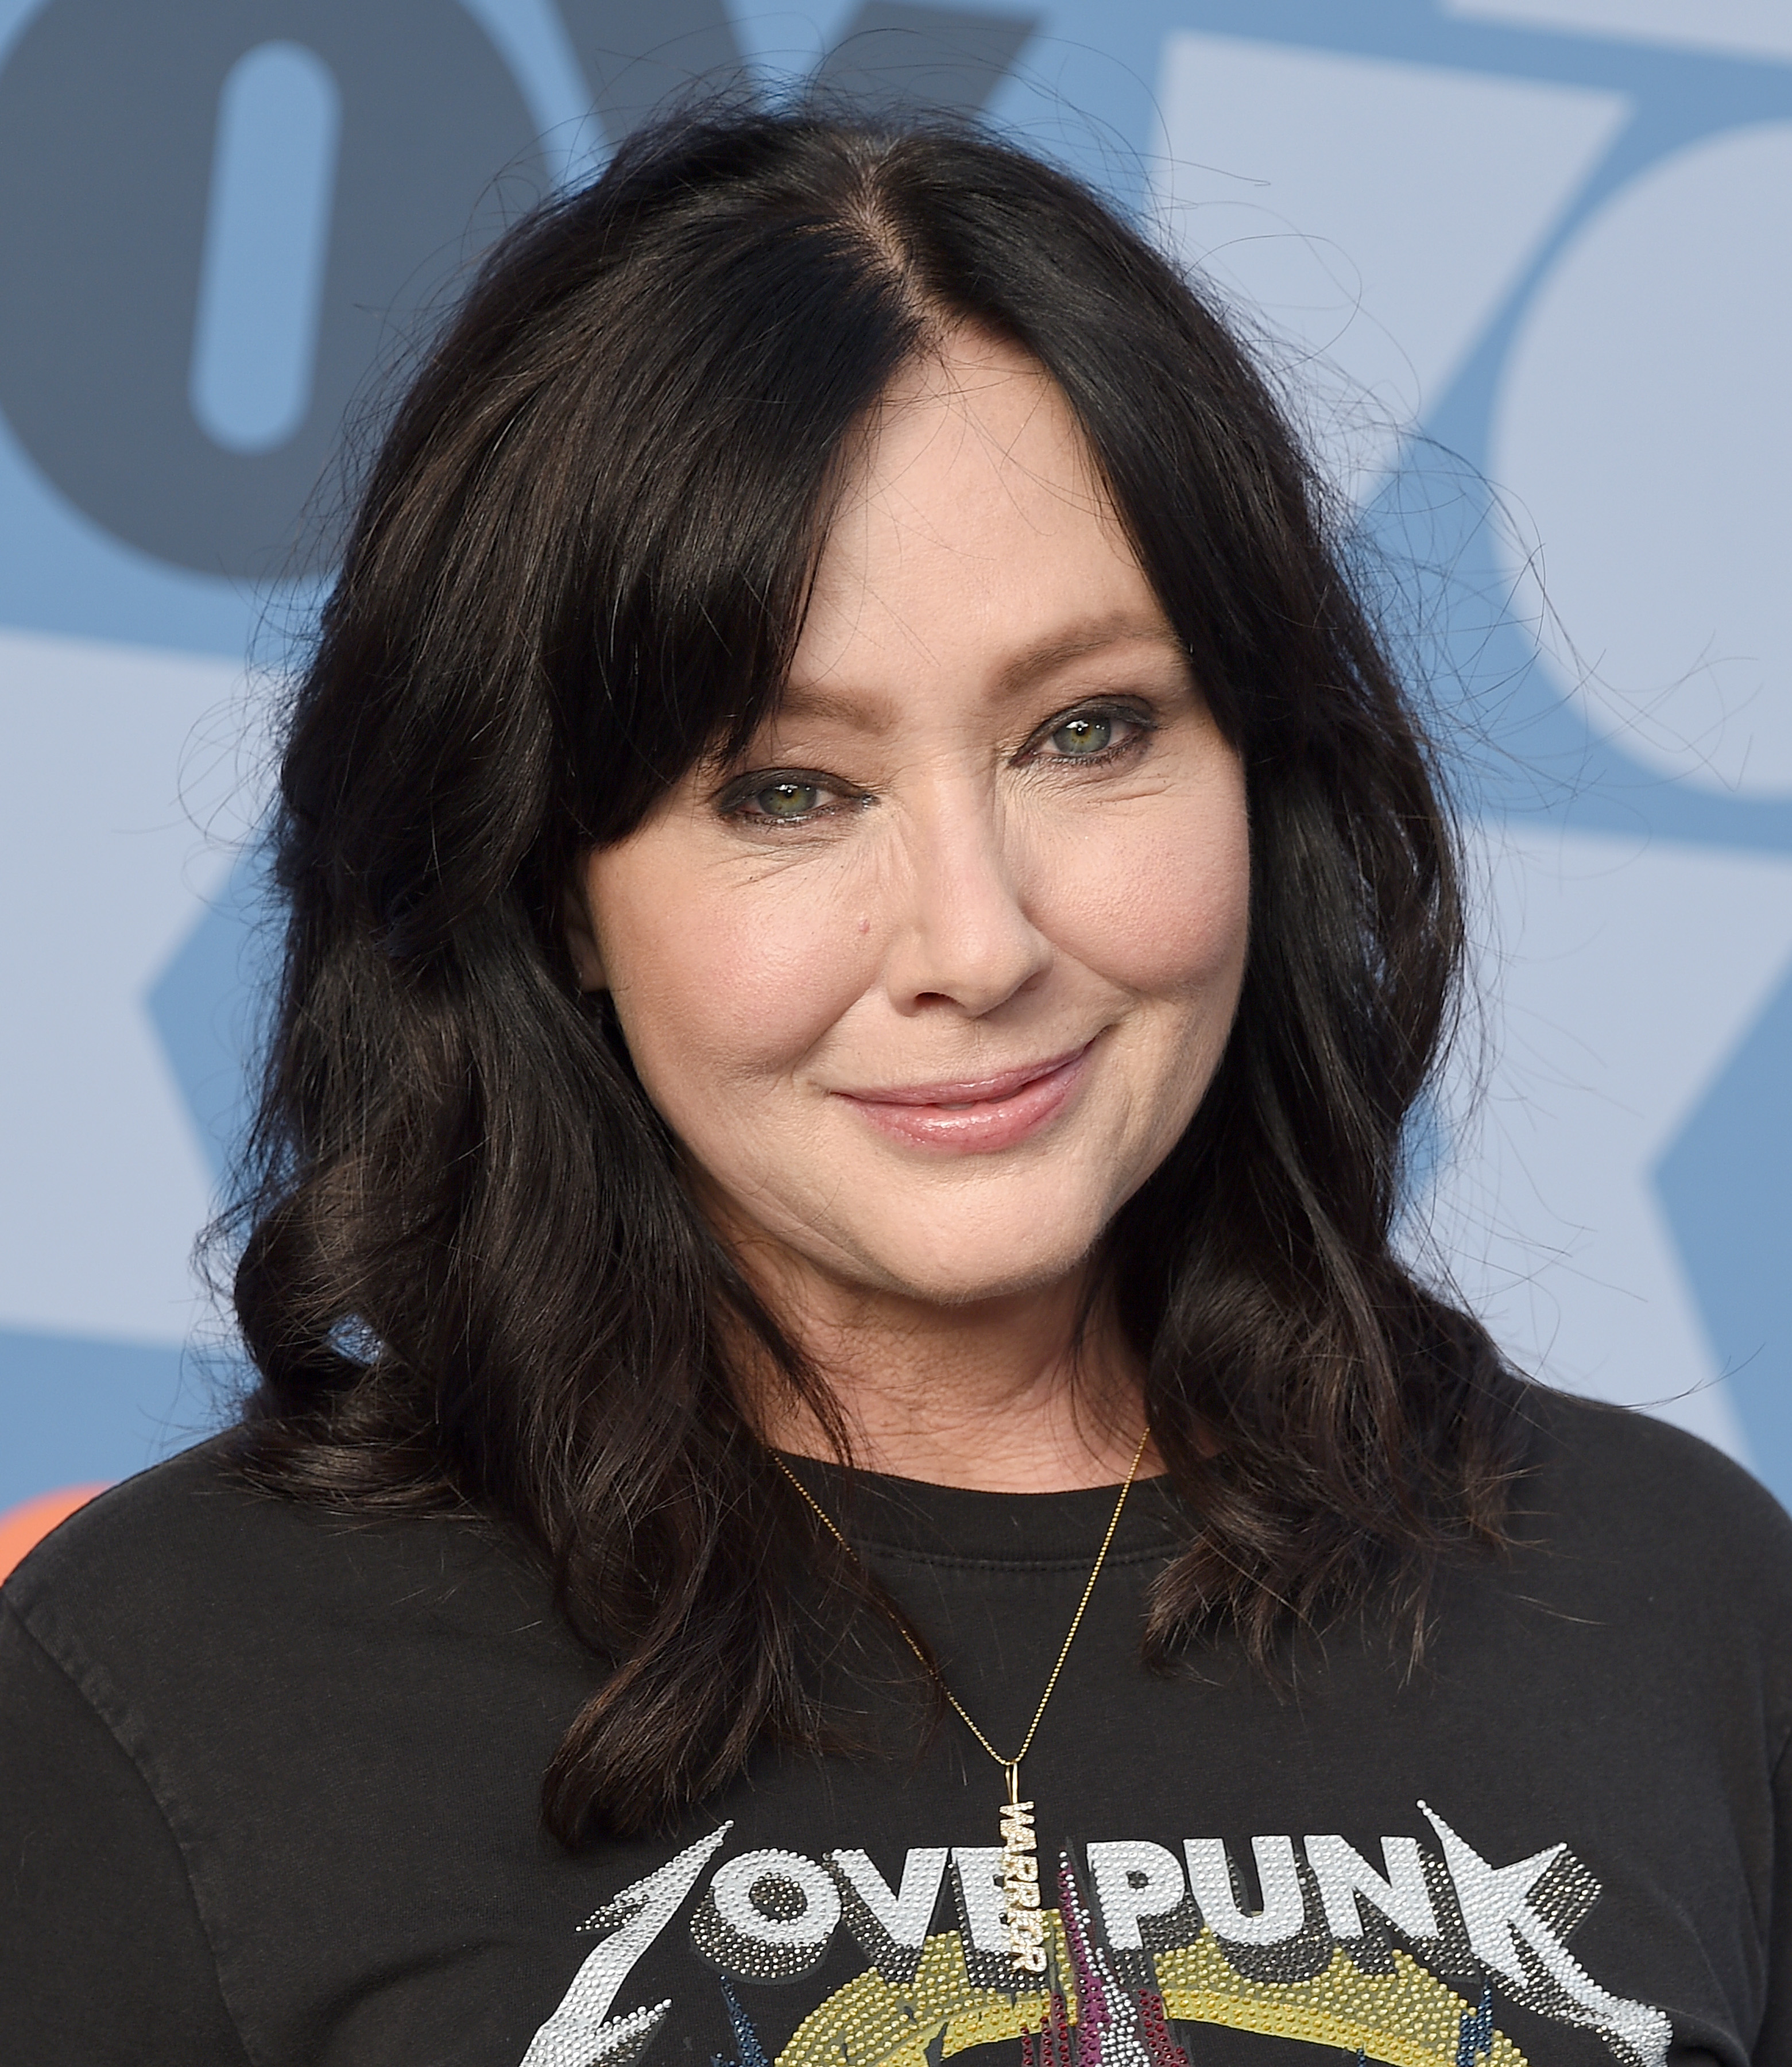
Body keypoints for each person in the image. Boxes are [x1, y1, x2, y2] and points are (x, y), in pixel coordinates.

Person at [2, 103, 1787, 2067]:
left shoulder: (1680, 1603)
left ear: (1259, 770)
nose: (976, 940)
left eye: (1088, 730)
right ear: (554, 887)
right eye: (788, 790)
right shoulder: (169, 1676)